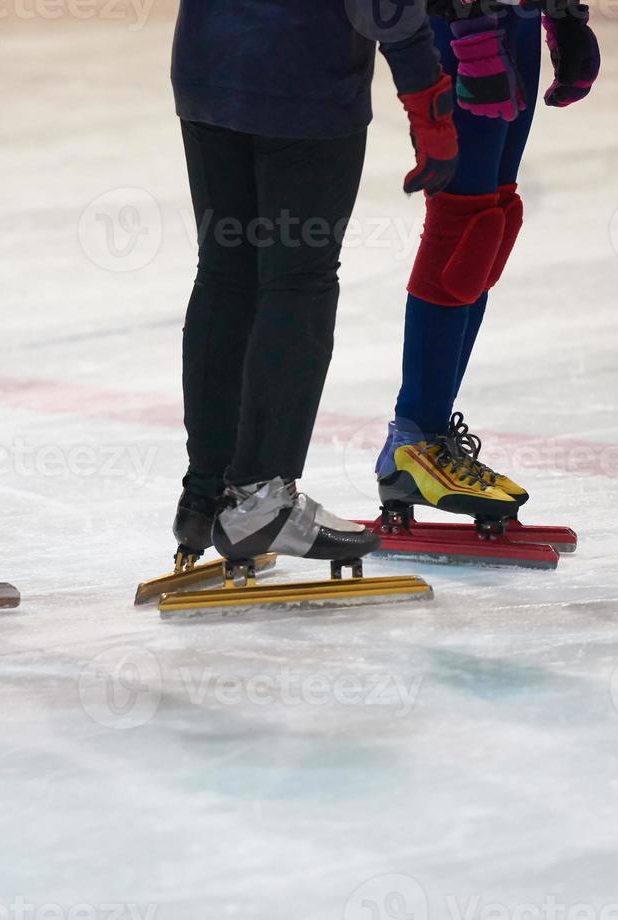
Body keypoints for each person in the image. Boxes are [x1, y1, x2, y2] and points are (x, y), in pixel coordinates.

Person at [167, 0, 459, 571]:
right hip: (303, 77)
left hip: (208, 64)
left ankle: (207, 497)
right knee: (299, 282)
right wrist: (425, 90)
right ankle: (259, 498)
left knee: (225, 274)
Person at [375, 0, 599, 528]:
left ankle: (429, 437)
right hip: (456, 22)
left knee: (493, 218)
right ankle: (414, 438)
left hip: (511, 20)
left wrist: (562, 16)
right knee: (462, 226)